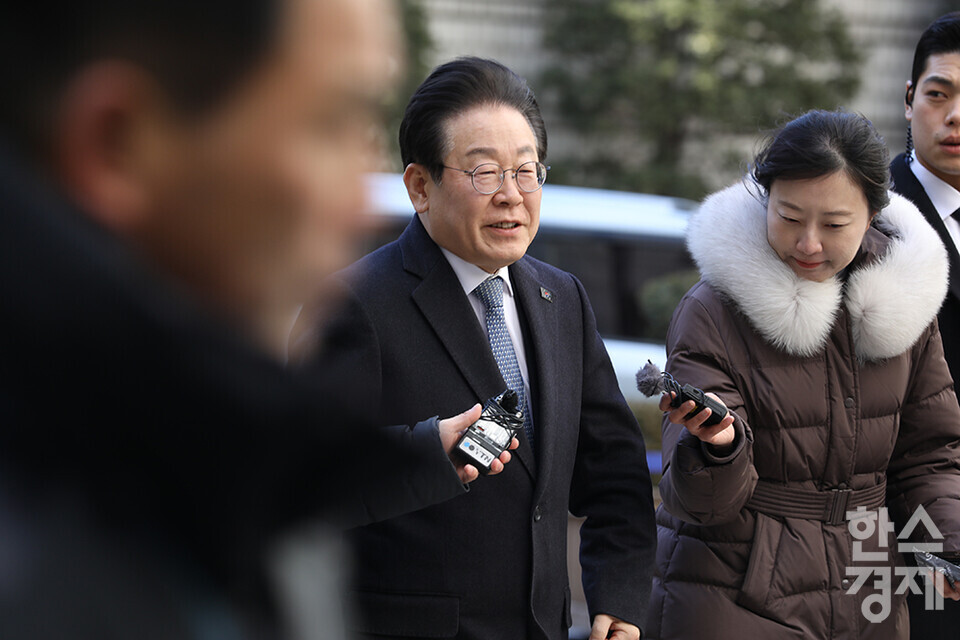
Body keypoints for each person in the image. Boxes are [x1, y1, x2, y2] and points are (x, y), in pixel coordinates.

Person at [0, 1, 515, 638]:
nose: (358, 205)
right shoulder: (38, 568)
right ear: (119, 144)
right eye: (328, 126)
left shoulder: (236, 459)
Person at [292, 56, 657, 640]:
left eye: (526, 171)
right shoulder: (354, 304)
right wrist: (426, 454)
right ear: (420, 185)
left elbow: (613, 473)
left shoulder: (562, 298)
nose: (511, 196)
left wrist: (620, 595)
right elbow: (303, 475)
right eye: (484, 173)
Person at [645, 110, 960, 640]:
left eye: (834, 225)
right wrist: (718, 447)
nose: (808, 243)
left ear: (872, 215)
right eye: (788, 217)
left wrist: (946, 541)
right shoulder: (713, 309)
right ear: (765, 200)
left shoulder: (905, 301)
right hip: (733, 583)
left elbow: (930, 452)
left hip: (869, 582)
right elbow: (698, 503)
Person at [889, 11, 960, 636]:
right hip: (900, 530)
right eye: (940, 94)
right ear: (910, 99)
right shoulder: (866, 221)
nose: (955, 115)